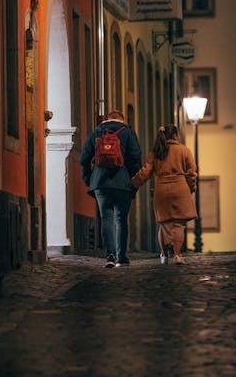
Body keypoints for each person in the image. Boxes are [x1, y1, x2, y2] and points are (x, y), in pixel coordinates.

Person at [80, 110, 142, 268]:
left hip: (101, 182)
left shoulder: (97, 132)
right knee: (121, 219)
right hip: (123, 183)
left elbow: (84, 158)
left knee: (106, 218)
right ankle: (122, 256)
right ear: (122, 119)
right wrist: (133, 181)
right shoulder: (128, 132)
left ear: (108, 119)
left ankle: (110, 255)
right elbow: (136, 158)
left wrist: (89, 179)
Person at [132, 124, 197, 265]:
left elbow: (146, 171)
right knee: (178, 224)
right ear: (175, 135)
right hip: (180, 189)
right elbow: (191, 173)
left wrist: (133, 182)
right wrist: (191, 188)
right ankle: (178, 255)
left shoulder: (156, 152)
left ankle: (164, 254)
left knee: (165, 224)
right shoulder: (184, 150)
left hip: (161, 190)